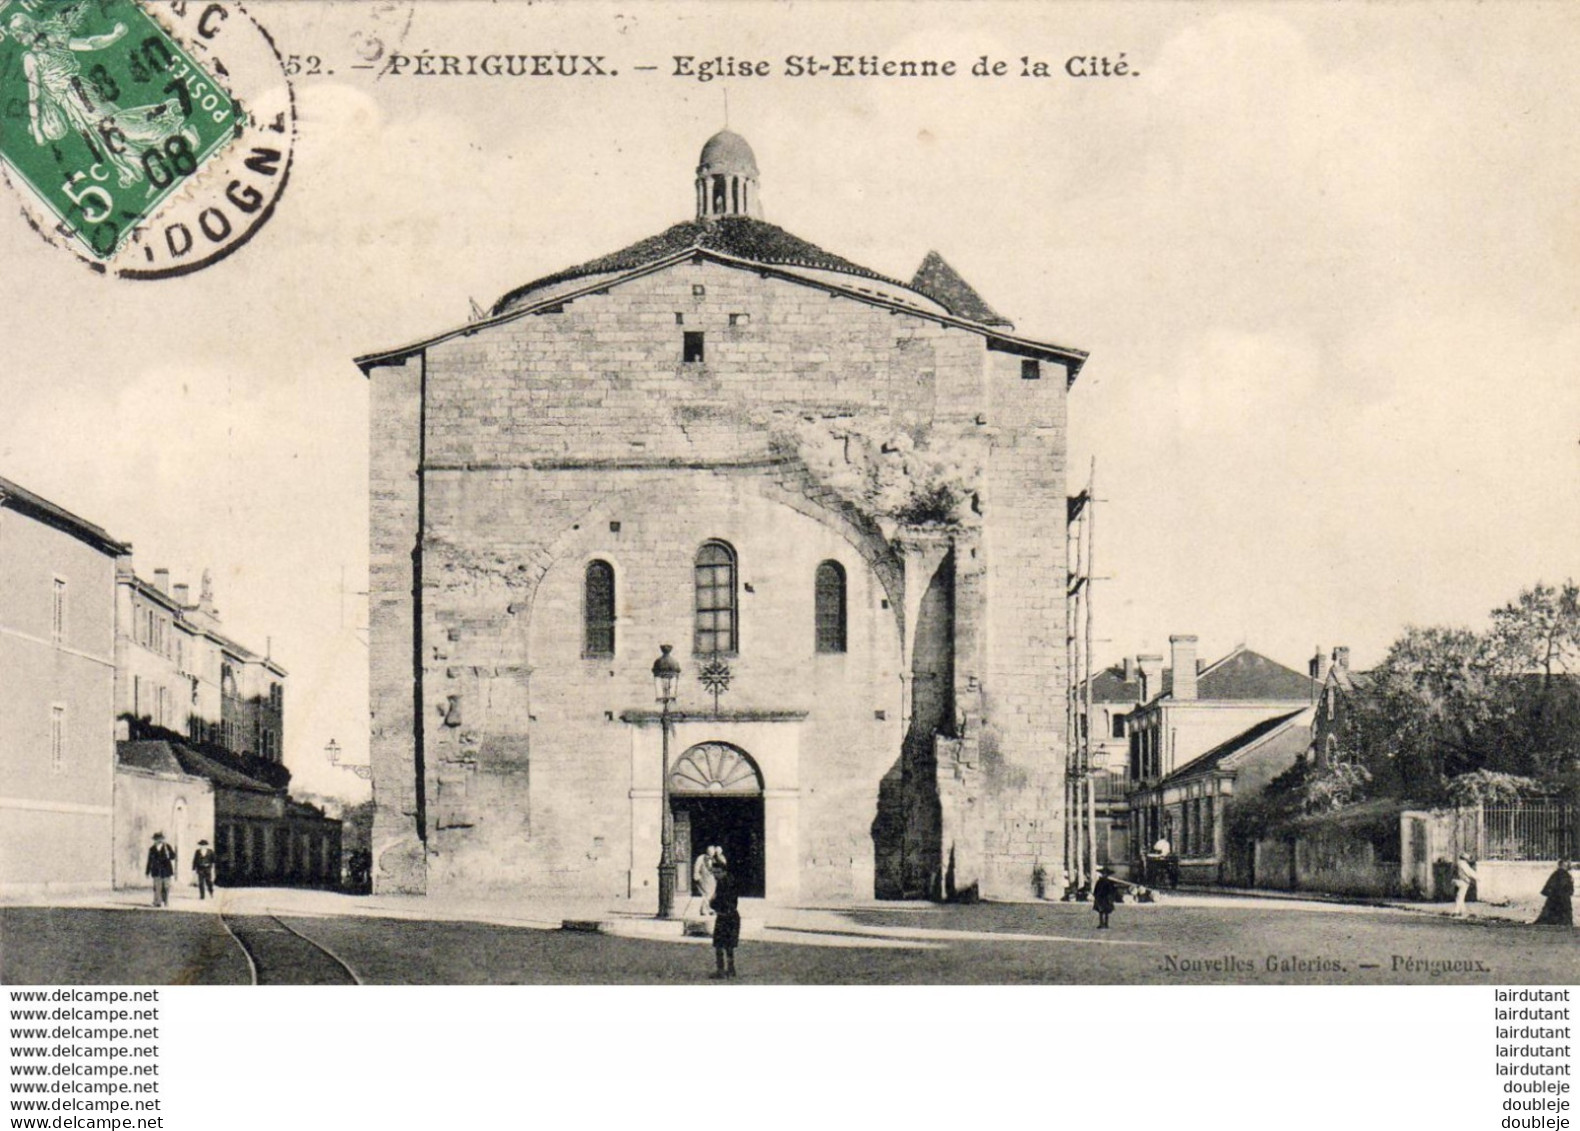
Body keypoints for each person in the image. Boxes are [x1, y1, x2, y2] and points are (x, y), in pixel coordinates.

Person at [710, 861, 741, 979]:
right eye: (713, 873)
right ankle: (728, 970)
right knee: (726, 945)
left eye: (717, 872)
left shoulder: (725, 883)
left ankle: (722, 970)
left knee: (722, 945)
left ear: (724, 871)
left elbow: (722, 900)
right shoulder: (724, 881)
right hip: (727, 915)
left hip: (727, 916)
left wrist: (713, 902)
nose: (715, 875)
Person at [1535, 859, 1574, 927]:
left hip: (1554, 897)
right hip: (1562, 898)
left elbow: (1550, 886)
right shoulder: (1564, 874)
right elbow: (1566, 887)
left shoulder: (1557, 874)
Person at [145, 833, 176, 907]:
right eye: (156, 839)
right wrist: (147, 871)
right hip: (156, 870)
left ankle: (165, 900)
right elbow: (149, 861)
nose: (158, 841)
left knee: (166, 886)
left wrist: (169, 854)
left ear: (162, 840)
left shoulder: (167, 847)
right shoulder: (152, 849)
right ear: (154, 840)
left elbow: (173, 857)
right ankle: (157, 902)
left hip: (166, 870)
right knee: (157, 886)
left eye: (160, 839)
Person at [693, 846, 718, 917]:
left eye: (713, 852)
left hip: (712, 879)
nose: (711, 853)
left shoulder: (714, 859)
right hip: (704, 879)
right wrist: (696, 875)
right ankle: (703, 909)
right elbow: (696, 867)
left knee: (712, 894)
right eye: (710, 852)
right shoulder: (701, 858)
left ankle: (709, 908)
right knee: (706, 894)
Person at [1453, 852, 1478, 918]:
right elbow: (1469, 872)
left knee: (1459, 896)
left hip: (1456, 880)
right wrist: (1477, 877)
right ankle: (1456, 911)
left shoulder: (1457, 863)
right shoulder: (1463, 864)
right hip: (1463, 881)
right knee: (1461, 896)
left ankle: (1463, 911)